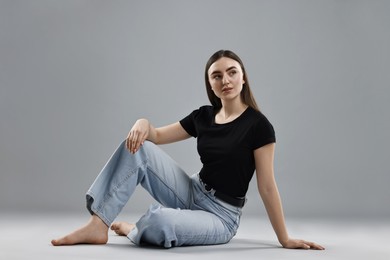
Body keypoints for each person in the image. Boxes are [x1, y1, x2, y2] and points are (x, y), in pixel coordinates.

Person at [51, 50, 324, 250]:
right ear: (211, 85)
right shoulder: (203, 116)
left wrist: (284, 239)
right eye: (217, 76)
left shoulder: (259, 126)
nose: (225, 80)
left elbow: (267, 186)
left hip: (221, 215)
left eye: (232, 72)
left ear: (243, 78)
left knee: (160, 223)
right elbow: (155, 136)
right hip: (192, 190)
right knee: (138, 146)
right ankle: (99, 224)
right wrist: (142, 122)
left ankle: (135, 229)